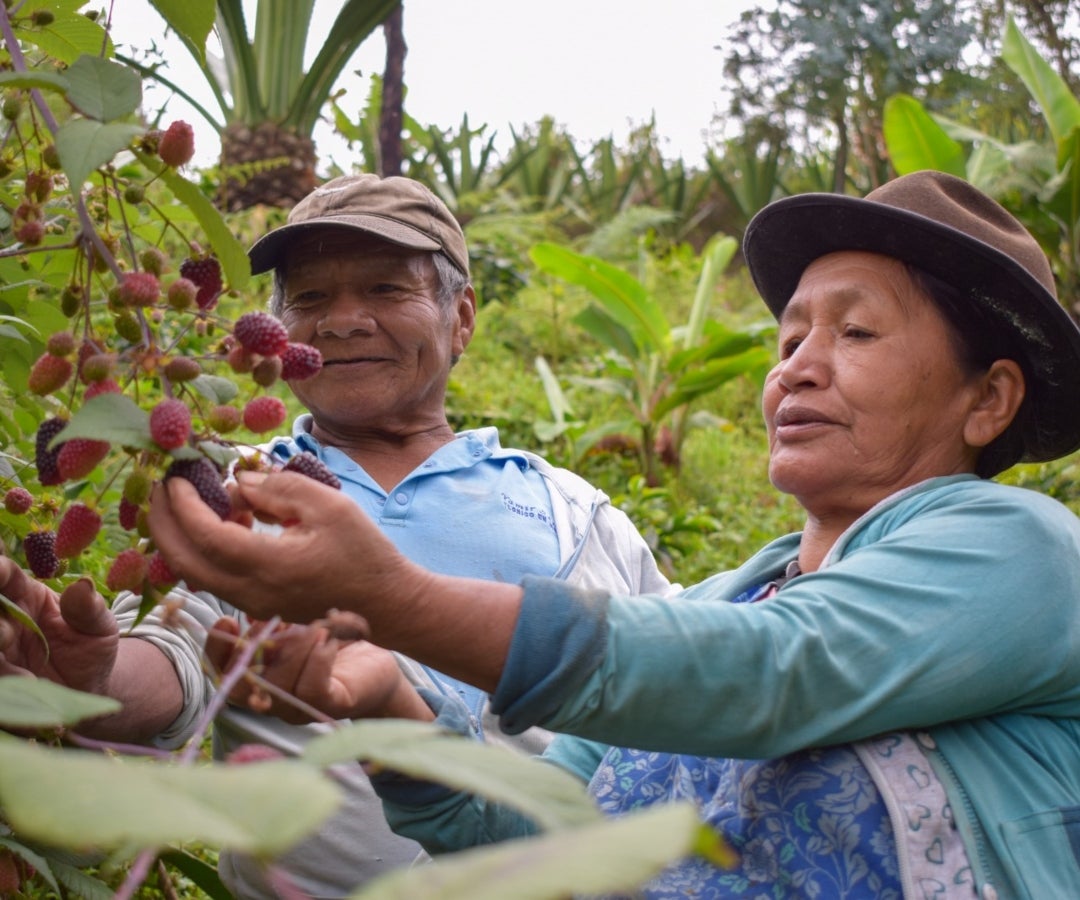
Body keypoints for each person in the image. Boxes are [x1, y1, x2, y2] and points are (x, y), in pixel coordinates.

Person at [146, 170, 1080, 899]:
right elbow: (548, 833)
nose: (798, 369)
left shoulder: (1023, 550)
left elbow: (773, 670)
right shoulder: (728, 597)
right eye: (790, 340)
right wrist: (392, 708)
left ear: (988, 398)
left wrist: (399, 598)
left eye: (858, 334)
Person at [0, 173, 674, 899]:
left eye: (387, 290)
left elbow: (677, 683)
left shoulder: (571, 506)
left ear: (462, 319)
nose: (344, 321)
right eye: (311, 298)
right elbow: (176, 656)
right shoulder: (237, 494)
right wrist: (91, 682)